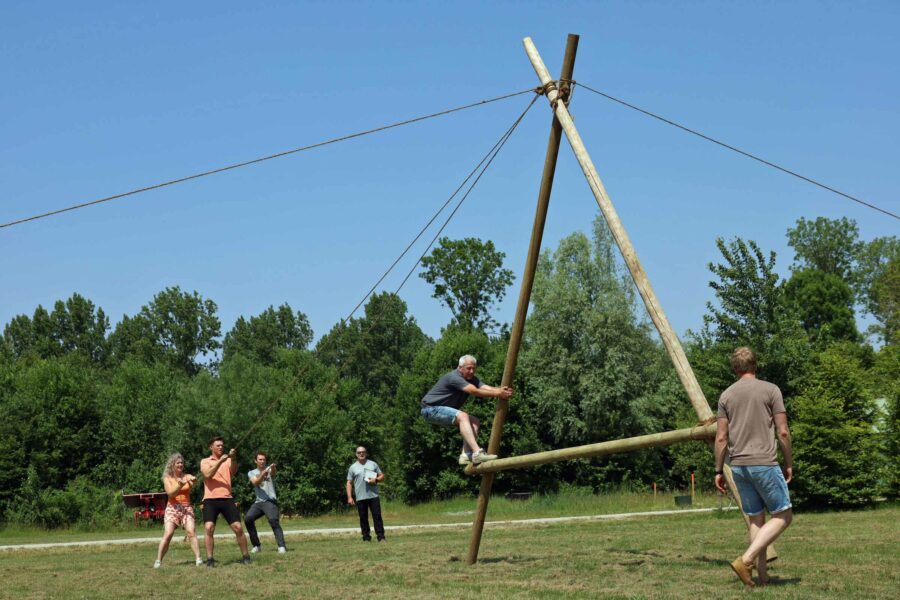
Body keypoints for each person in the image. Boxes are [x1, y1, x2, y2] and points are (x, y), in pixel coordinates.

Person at [715, 347, 793, 587]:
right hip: (764, 463)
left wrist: (718, 470)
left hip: (739, 467)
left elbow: (721, 437)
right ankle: (746, 560)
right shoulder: (771, 390)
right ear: (755, 365)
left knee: (756, 520)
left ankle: (762, 577)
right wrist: (788, 462)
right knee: (784, 515)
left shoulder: (726, 396)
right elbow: (782, 431)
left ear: (734, 369)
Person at [420, 354, 513, 465]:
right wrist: (498, 393)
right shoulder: (454, 377)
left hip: (439, 410)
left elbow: (484, 387)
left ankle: (465, 455)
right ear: (460, 368)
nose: (472, 371)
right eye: (469, 368)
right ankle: (477, 452)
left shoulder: (472, 379)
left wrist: (500, 390)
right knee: (463, 416)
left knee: (474, 422)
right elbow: (474, 391)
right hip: (430, 409)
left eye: (474, 368)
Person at [200, 436, 251, 567]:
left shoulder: (228, 460)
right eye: (218, 445)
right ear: (211, 447)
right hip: (210, 500)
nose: (221, 447)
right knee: (209, 528)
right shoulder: (205, 461)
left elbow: (234, 471)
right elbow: (207, 475)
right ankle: (210, 559)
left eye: (222, 445)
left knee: (238, 527)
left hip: (227, 498)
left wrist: (233, 458)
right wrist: (219, 462)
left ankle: (246, 556)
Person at [154, 453, 203, 568]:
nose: (181, 464)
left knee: (191, 532)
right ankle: (158, 560)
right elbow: (171, 493)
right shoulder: (167, 478)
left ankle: (198, 559)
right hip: (173, 508)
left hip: (186, 508)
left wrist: (194, 481)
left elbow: (192, 483)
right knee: (168, 533)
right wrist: (179, 485)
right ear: (172, 465)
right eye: (178, 463)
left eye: (182, 463)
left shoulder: (186, 476)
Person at [244, 451, 287, 554]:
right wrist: (263, 474)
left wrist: (273, 467)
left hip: (269, 501)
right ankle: (256, 546)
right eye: (260, 459)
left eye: (264, 459)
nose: (262, 461)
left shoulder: (269, 469)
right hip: (258, 502)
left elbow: (273, 473)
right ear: (255, 461)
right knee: (248, 519)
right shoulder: (251, 473)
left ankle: (281, 546)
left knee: (273, 520)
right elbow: (255, 482)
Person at [346, 446, 385, 542]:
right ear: (356, 454)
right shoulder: (352, 467)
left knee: (377, 517)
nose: (361, 454)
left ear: (366, 453)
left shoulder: (373, 464)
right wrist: (350, 497)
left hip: (373, 496)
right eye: (359, 452)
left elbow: (382, 475)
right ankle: (366, 538)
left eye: (363, 452)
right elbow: (349, 483)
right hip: (360, 497)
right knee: (363, 518)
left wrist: (376, 480)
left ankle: (381, 537)